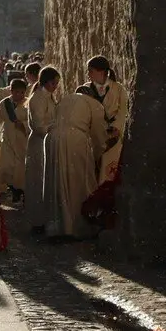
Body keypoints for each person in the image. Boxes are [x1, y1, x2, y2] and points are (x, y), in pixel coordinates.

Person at [42, 85, 109, 241]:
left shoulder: (65, 99)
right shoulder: (94, 104)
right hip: (75, 139)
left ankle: (56, 226)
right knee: (78, 181)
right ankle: (76, 226)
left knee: (56, 180)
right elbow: (99, 133)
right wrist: (99, 153)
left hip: (52, 137)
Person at [25, 66, 61, 234]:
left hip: (48, 141)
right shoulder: (38, 98)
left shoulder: (49, 97)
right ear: (46, 82)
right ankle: (37, 220)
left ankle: (46, 220)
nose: (56, 86)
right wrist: (55, 127)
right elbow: (39, 125)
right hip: (39, 144)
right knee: (38, 182)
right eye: (53, 83)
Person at [87, 55, 129, 185]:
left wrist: (115, 128)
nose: (88, 74)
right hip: (93, 136)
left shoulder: (119, 89)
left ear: (101, 71)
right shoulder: (86, 89)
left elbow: (123, 111)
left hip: (112, 137)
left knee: (109, 172)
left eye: (91, 71)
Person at [0, 79, 29, 203]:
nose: (20, 95)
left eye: (22, 92)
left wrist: (23, 125)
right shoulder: (4, 104)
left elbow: (32, 121)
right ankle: (13, 189)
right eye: (17, 92)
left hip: (23, 140)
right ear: (11, 91)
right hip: (7, 139)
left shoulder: (28, 103)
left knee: (21, 168)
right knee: (7, 166)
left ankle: (22, 191)